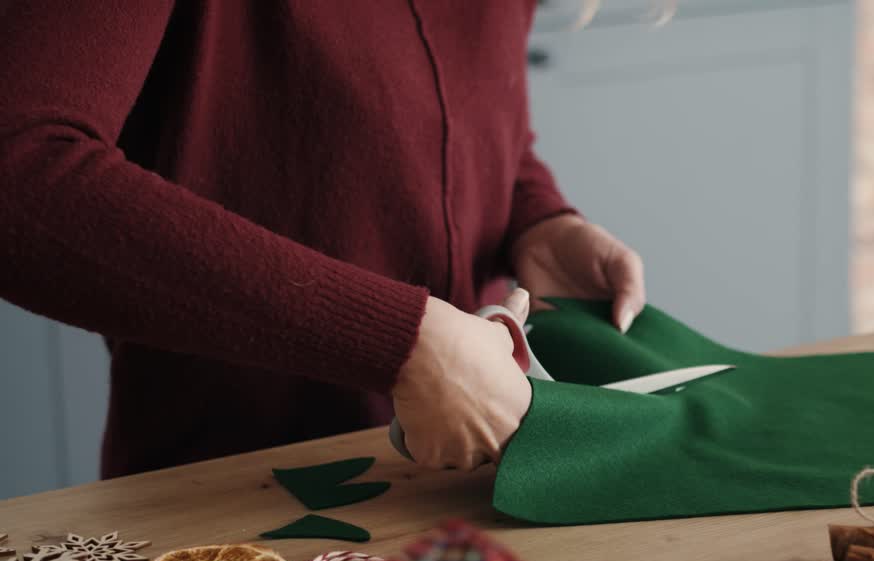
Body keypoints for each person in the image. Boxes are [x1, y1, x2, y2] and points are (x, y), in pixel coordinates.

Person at [0, 1, 646, 477]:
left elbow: (454, 101)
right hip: (233, 506)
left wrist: (535, 218)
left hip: (468, 483)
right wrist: (400, 342)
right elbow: (20, 167)